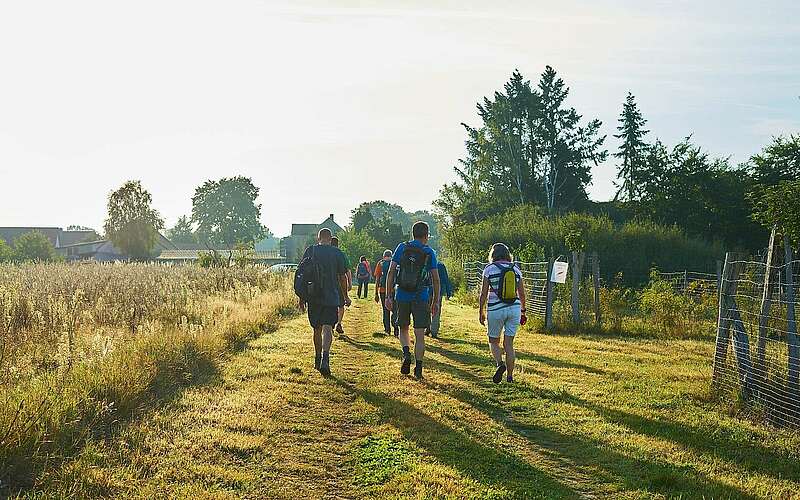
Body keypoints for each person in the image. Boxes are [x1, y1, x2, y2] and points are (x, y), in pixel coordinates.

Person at [385, 221, 440, 379]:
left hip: (401, 294)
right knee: (419, 334)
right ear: (426, 235)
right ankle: (419, 367)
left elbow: (390, 272)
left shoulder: (402, 248)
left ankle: (406, 353)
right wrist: (435, 300)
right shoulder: (429, 252)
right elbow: (435, 279)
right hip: (421, 296)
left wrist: (389, 296)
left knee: (403, 328)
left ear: (412, 233)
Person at [298, 228, 351, 376]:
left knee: (317, 329)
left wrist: (302, 298)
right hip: (331, 296)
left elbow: (302, 275)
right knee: (328, 328)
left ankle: (317, 357)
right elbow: (342, 277)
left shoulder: (311, 251)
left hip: (313, 296)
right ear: (330, 238)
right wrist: (345, 296)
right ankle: (326, 358)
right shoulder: (337, 253)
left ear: (318, 238)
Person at [478, 243, 527, 384]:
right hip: (514, 309)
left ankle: (500, 364)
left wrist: (481, 310)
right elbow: (522, 294)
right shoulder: (516, 269)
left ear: (493, 255)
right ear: (508, 254)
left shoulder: (489, 269)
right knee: (509, 344)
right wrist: (523, 311)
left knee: (493, 341)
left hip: (495, 310)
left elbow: (483, 293)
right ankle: (510, 377)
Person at [374, 249, 398, 335]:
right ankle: (396, 328)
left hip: (383, 290)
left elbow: (377, 279)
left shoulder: (380, 263)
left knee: (385, 310)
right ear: (391, 255)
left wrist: (376, 293)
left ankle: (387, 329)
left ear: (383, 256)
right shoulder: (395, 263)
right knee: (395, 309)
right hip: (393, 290)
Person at [330, 236, 351, 334]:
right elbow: (347, 271)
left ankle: (330, 324)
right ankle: (338, 323)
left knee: (331, 304)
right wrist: (349, 283)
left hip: (329, 283)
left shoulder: (327, 253)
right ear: (338, 244)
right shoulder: (341, 254)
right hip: (339, 283)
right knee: (341, 305)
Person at [427, 261, 453, 338]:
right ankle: (434, 331)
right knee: (436, 311)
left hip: (427, 291)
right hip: (438, 291)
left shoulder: (426, 263)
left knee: (426, 310)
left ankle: (427, 328)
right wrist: (448, 292)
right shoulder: (440, 265)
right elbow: (446, 279)